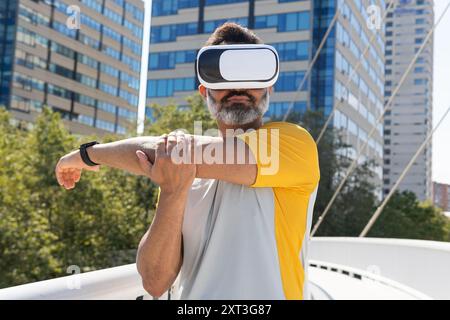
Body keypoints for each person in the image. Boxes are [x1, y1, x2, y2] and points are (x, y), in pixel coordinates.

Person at [55, 23, 320, 300]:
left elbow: (171, 151)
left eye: (251, 75)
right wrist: (173, 192)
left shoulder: (293, 145)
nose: (239, 87)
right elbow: (155, 282)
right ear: (205, 92)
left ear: (269, 88)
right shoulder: (177, 172)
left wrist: (88, 154)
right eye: (222, 75)